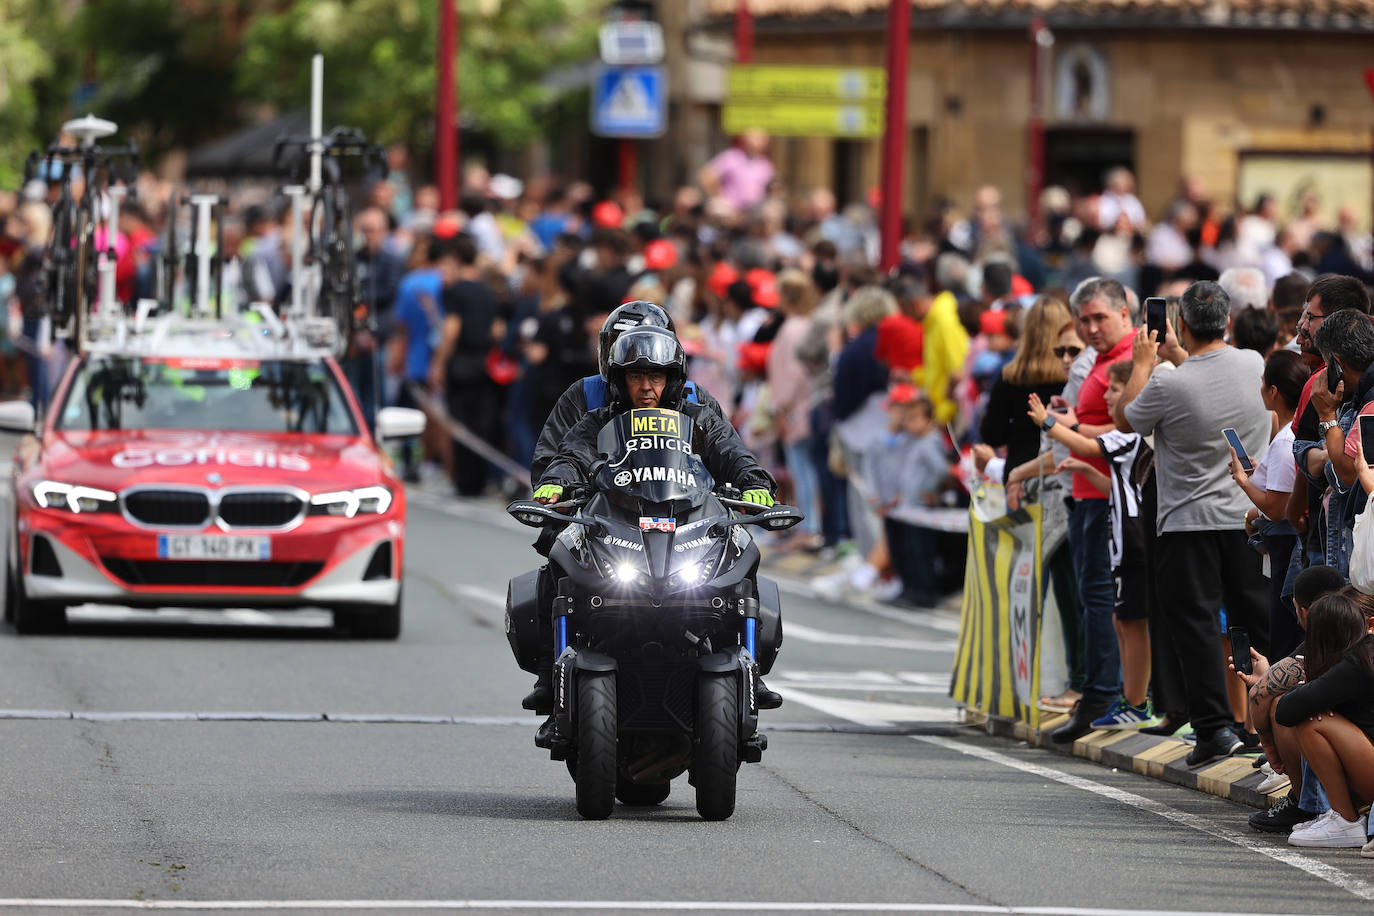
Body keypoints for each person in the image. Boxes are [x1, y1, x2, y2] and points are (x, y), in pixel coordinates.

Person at [531, 326, 782, 733]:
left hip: (686, 525)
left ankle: (751, 672)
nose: (646, 387)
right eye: (635, 376)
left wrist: (754, 482)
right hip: (619, 524)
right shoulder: (599, 418)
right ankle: (550, 676)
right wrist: (557, 481)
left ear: (672, 379)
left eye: (656, 376)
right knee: (561, 556)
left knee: (742, 550)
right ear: (619, 379)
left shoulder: (698, 416)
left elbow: (732, 451)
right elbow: (570, 454)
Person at [1118, 280, 1273, 766]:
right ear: (1227, 321)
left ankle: (1213, 729)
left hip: (1187, 523)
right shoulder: (1254, 363)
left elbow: (1126, 420)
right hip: (1247, 515)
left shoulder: (1168, 383)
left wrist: (1143, 362)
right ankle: (1259, 724)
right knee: (1251, 621)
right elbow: (1209, 377)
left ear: (1181, 324)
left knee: (1197, 625)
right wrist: (1178, 354)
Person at [1049, 278, 1136, 742]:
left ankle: (1104, 694)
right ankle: (1099, 692)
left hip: (1108, 496)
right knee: (1092, 598)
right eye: (1083, 320)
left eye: (1099, 317)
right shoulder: (1099, 359)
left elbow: (1129, 426)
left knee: (1102, 599)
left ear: (1124, 313)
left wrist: (1068, 425)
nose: (1090, 328)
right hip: (1085, 491)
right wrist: (1072, 417)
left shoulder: (1133, 356)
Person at [1240, 564, 1346, 835]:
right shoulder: (1348, 629)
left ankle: (1312, 805)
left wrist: (1271, 751)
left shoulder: (1339, 642)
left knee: (1288, 708)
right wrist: (1266, 678)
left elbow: (1259, 696)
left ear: (1303, 611)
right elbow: (1262, 688)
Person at [1271, 593, 1374, 849]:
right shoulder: (1363, 653)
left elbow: (1286, 710)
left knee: (1311, 721)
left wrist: (1309, 687)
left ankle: (1345, 820)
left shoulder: (1356, 663)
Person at [1230, 349, 1308, 660]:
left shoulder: (1286, 439)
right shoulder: (1294, 432)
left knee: (1284, 634)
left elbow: (1276, 509)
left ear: (1274, 391)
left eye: (1263, 383)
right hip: (1288, 541)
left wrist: (1243, 481)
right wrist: (1260, 472)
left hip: (1285, 543)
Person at [980, 297, 1072, 485]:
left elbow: (992, 434)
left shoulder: (1010, 376)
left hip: (1019, 472)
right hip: (1062, 472)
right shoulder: (1073, 376)